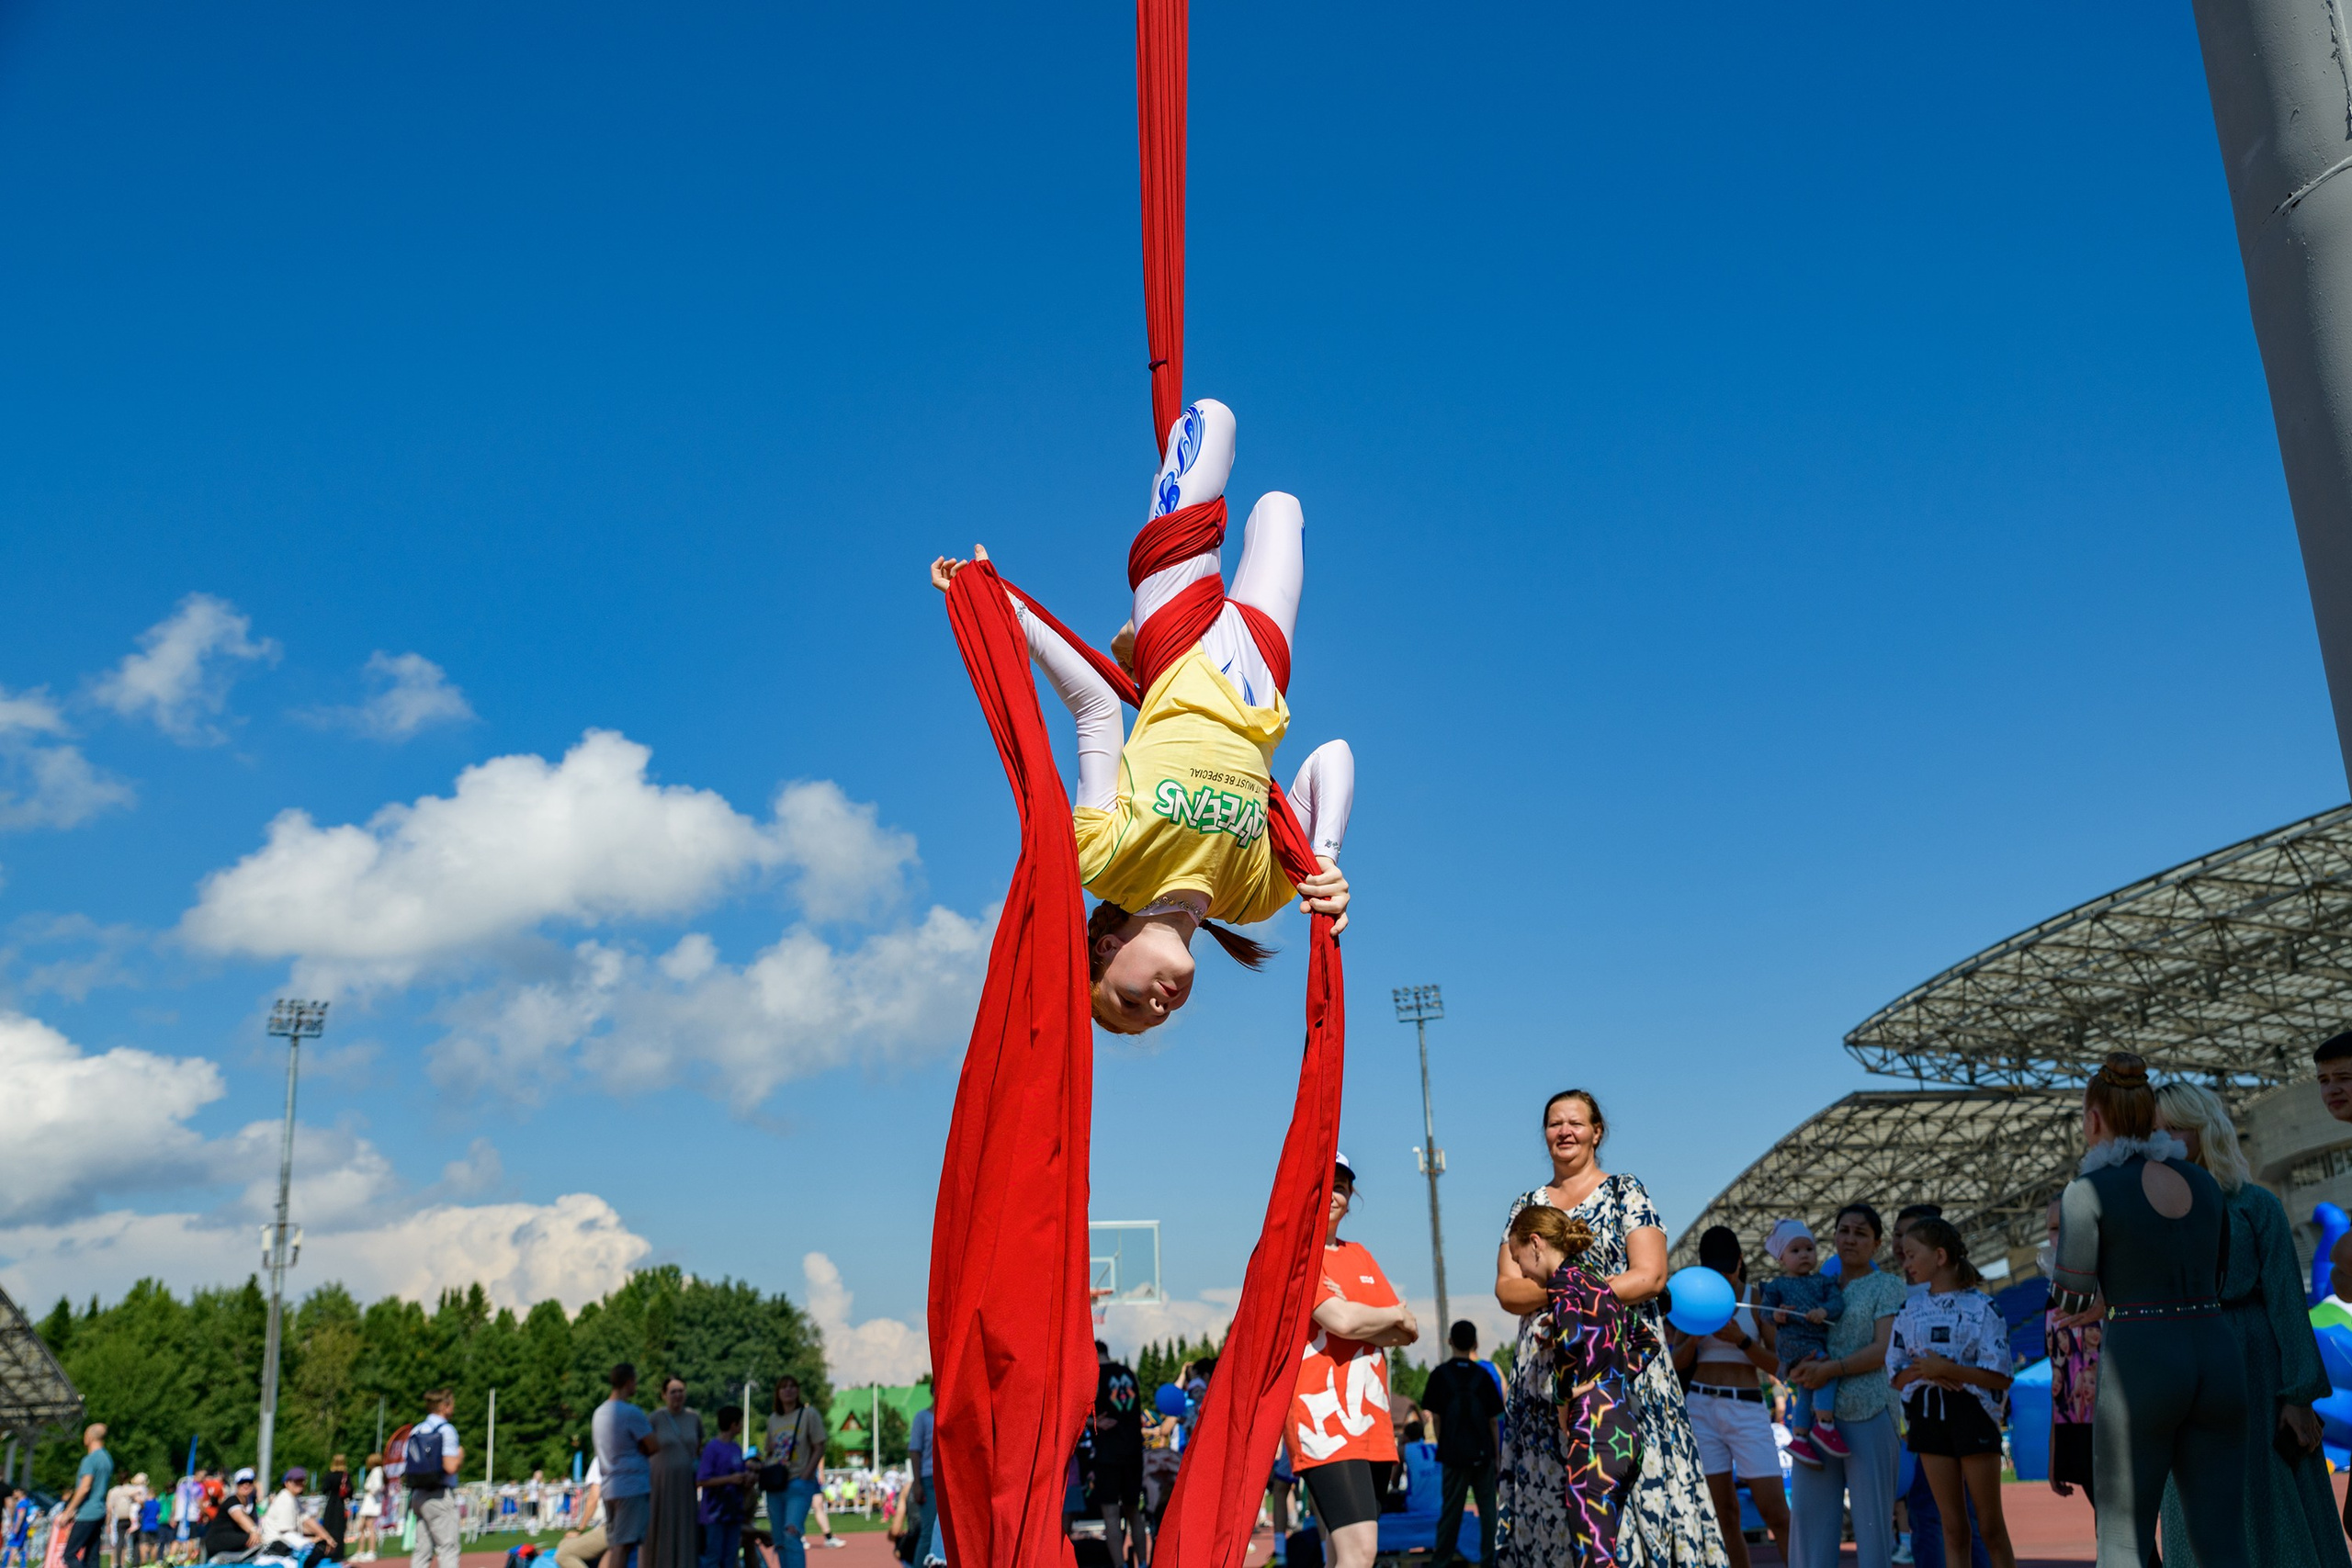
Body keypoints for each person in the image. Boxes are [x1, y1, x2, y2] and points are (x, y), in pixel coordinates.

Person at [928, 397, 1355, 1035]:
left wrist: (1007, 611)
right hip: (1262, 675)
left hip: (1177, 637)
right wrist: (1324, 862)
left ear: (1104, 950)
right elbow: (1332, 757)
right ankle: (1132, 659)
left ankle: (1137, 657)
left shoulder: (1101, 860)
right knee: (1281, 509)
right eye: (1154, 1019)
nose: (1158, 1007)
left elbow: (1095, 706)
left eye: (1128, 1004)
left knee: (1214, 419)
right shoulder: (1255, 897)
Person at [1495, 1089, 1721, 1568]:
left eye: (1575, 1122)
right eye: (1554, 1124)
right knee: (1559, 1506)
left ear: (1597, 1132)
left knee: (1625, 1499)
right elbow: (1507, 1291)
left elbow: (1651, 1276)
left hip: (1622, 1378)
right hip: (1545, 1380)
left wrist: (1574, 1293)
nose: (1565, 1131)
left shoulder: (1626, 1191)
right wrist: (1570, 1293)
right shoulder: (1526, 1205)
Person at [2051, 1051, 2248, 1566]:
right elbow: (2220, 1277)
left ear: (2094, 1119)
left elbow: (2069, 1296)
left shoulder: (2087, 1190)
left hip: (2140, 1360)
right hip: (2217, 1352)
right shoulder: (2204, 1184)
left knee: (2122, 1537)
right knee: (2223, 1538)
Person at [2151, 1081, 2348, 1568]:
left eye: (2174, 1127)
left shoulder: (2254, 1204)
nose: (2163, 1139)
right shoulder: (2142, 1212)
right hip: (2180, 1374)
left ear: (2203, 1129)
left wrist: (2298, 1396)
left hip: (2254, 1367)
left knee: (2267, 1492)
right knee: (2193, 1496)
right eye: (2153, 1130)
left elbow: (2285, 1300)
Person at [1507, 1202, 1661, 1568]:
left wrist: (1564, 1395)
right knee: (1603, 1554)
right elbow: (1646, 1342)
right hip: (1624, 1433)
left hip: (1593, 1434)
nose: (1520, 1270)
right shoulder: (1595, 1283)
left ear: (1536, 1243)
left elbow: (1572, 1337)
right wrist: (1612, 1380)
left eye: (1518, 1258)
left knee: (1592, 1560)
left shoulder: (1562, 1286)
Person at [1289, 1155, 1418, 1568]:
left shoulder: (1359, 1255)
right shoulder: (1297, 1257)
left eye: (1343, 1186)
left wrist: (1378, 1319)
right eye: (1327, 1182)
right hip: (1323, 1420)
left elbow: (1406, 1332)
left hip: (1371, 1421)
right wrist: (1388, 1314)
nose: (1335, 1193)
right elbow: (1342, 1320)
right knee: (1359, 1551)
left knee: (1342, 1551)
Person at [1887, 1220, 2015, 1568]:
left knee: (1989, 1525)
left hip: (1972, 1414)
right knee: (1952, 1525)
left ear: (1940, 1255)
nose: (1906, 1263)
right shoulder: (1908, 1311)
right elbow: (1895, 1372)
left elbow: (2002, 1377)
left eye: (1912, 1255)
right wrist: (1924, 1371)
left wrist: (1946, 1370)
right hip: (1927, 1416)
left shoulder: (1983, 1307)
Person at [1784, 1203, 1904, 1568]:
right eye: (1844, 1231)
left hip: (1869, 1413)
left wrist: (1832, 1370)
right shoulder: (1812, 1286)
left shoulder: (1887, 1285)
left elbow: (1884, 1348)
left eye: (1860, 1233)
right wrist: (1794, 1366)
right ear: (1833, 1236)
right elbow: (1789, 1338)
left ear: (1877, 1244)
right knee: (1809, 1525)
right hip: (1816, 1423)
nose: (1850, 1239)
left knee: (1873, 1529)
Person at [1666, 1227, 1790, 1568]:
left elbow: (1781, 1365)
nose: (1723, 1276)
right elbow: (1673, 1365)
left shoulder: (1755, 1300)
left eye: (1728, 1268)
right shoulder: (1691, 1298)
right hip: (1702, 1407)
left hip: (1747, 1406)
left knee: (1775, 1512)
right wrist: (1691, 1339)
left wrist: (1742, 1341)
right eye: (1714, 1270)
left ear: (1739, 1262)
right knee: (1722, 1514)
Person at [1757, 1221, 1845, 1468]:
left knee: (1805, 1390)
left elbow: (1837, 1305)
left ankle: (1801, 1436)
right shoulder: (1777, 1287)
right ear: (1781, 1258)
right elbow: (1764, 1314)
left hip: (1813, 1340)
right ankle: (1826, 1424)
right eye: (1795, 1251)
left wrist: (1823, 1310)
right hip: (1796, 1345)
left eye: (1809, 1249)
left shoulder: (1823, 1282)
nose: (1804, 1255)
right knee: (1827, 1372)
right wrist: (1777, 1315)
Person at [1421, 1320, 1505, 1568]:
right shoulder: (1484, 1376)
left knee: (1451, 1513)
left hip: (1453, 1454)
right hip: (1483, 1454)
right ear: (1475, 1343)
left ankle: (1441, 1562)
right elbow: (1493, 1421)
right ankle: (1489, 1561)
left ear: (1450, 1342)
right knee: (1488, 1512)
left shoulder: (1439, 1375)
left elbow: (1435, 1417)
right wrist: (1496, 1456)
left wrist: (1442, 1443)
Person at [594, 1364, 658, 1568]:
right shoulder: (631, 1412)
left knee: (616, 1544)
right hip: (631, 1485)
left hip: (609, 1486)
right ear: (629, 1382)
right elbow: (654, 1445)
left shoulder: (599, 1413)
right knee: (625, 1544)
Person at [1091, 1342, 1147, 1568]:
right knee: (1134, 1511)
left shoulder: (1095, 1377)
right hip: (1133, 1451)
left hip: (1108, 1454)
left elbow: (1087, 1415)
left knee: (1111, 1515)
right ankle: (1143, 1563)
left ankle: (1120, 1565)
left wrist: (1091, 1422)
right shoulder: (1128, 1373)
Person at [761, 1377, 825, 1568]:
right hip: (776, 1484)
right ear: (778, 1393)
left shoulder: (808, 1414)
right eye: (784, 1387)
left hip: (798, 1481)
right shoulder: (773, 1419)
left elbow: (819, 1446)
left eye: (792, 1386)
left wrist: (807, 1474)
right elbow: (768, 1450)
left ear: (798, 1391)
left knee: (791, 1531)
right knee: (779, 1539)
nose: (788, 1390)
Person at [645, 1378, 702, 1568]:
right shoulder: (655, 1418)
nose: (678, 1395)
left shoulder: (694, 1418)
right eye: (673, 1391)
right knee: (661, 1525)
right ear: (664, 1395)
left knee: (685, 1525)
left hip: (686, 1484)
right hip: (661, 1484)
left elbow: (699, 1447)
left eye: (681, 1391)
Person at [405, 1391, 464, 1568]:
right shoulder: (446, 1430)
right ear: (445, 1406)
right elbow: (450, 1466)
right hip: (438, 1494)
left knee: (422, 1550)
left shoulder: (416, 1430)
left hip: (417, 1495)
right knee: (448, 1548)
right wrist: (460, 1455)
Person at [695, 1407, 752, 1568]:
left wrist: (746, 1479)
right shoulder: (712, 1448)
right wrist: (730, 1479)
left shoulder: (736, 1448)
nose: (741, 1426)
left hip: (733, 1510)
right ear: (733, 1424)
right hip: (715, 1513)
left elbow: (740, 1473)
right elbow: (701, 1480)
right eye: (740, 1422)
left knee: (730, 1557)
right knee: (714, 1557)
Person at [260, 1471, 336, 1568]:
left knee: (320, 1547)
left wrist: (326, 1537)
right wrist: (310, 1541)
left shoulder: (292, 1498)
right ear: (287, 1483)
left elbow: (306, 1519)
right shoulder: (285, 1501)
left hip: (283, 1544)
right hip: (276, 1546)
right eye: (296, 1481)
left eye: (302, 1481)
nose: (300, 1484)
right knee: (316, 1550)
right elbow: (286, 1533)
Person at [64, 1426, 113, 1568]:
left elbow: (85, 1487)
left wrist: (68, 1511)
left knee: (69, 1555)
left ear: (90, 1437)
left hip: (87, 1512)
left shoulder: (90, 1459)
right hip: (100, 1511)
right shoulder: (107, 1459)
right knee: (92, 1558)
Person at [904, 1396, 936, 1568]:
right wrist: (917, 1483)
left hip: (948, 1480)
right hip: (929, 1478)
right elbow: (914, 1450)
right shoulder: (922, 1418)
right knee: (929, 1531)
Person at [201, 1472, 261, 1564]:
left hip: (236, 1541)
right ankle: (219, 1560)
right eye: (242, 1482)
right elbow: (240, 1517)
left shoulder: (251, 1503)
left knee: (258, 1543)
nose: (246, 1485)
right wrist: (253, 1530)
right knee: (255, 1541)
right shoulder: (231, 1501)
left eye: (249, 1482)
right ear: (237, 1485)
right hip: (218, 1540)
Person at [555, 1461, 605, 1568]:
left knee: (563, 1554)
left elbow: (593, 1499)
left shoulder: (603, 1457)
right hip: (633, 1524)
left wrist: (579, 1529)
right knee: (565, 1545)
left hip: (615, 1527)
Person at [318, 1458, 349, 1562]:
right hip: (340, 1504)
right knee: (339, 1530)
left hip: (331, 1504)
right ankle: (339, 1554)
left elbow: (324, 1489)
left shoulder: (329, 1475)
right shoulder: (345, 1476)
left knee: (328, 1528)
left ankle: (328, 1551)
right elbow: (350, 1491)